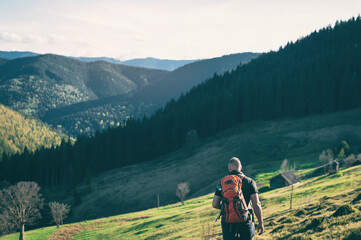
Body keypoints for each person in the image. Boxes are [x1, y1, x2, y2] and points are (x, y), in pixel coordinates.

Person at [212, 157, 264, 240]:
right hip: (245, 219)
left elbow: (215, 204)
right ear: (241, 167)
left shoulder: (222, 183)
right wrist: (260, 222)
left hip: (228, 221)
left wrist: (228, 208)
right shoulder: (249, 181)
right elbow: (256, 204)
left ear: (229, 169)